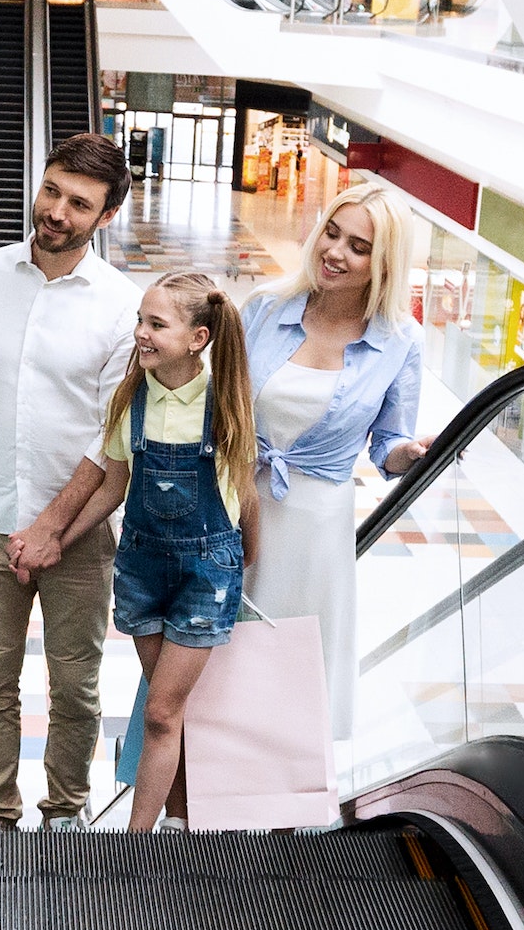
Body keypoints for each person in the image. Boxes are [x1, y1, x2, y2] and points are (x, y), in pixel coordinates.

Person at [0, 133, 138, 830]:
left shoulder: (121, 306)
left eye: (78, 203)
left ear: (105, 217)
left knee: (75, 690)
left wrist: (54, 528)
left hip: (77, 535)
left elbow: (110, 439)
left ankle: (65, 813)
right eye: (52, 189)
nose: (56, 211)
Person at [50, 270, 259, 832]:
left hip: (205, 575)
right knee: (170, 715)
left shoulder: (226, 406)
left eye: (156, 324)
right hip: (142, 569)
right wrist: (58, 541)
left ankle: (135, 845)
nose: (140, 333)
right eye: (140, 320)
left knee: (162, 710)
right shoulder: (132, 400)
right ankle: (181, 820)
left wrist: (249, 567)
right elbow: (112, 487)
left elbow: (246, 495)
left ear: (198, 338)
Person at [240, 182, 429, 750]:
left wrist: (410, 456)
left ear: (384, 265)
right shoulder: (264, 308)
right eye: (332, 232)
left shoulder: (401, 342)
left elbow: (388, 442)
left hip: (316, 527)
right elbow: (215, 408)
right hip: (237, 506)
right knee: (220, 658)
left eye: (360, 247)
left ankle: (281, 819)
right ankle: (203, 806)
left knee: (295, 670)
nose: (336, 252)